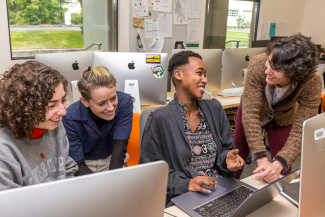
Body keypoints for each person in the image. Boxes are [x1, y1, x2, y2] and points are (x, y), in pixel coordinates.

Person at [139, 51, 244, 204]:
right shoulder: (159, 118)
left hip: (219, 189)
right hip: (184, 196)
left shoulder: (214, 108)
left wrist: (227, 160)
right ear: (178, 74)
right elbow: (150, 173)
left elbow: (226, 151)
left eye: (205, 75)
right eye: (199, 73)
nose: (205, 80)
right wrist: (187, 184)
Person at [235, 33, 323, 183]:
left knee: (282, 171)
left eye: (275, 68)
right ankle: (226, 196)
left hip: (283, 118)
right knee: (236, 159)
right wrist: (261, 158)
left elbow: (301, 129)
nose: (267, 70)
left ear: (295, 73)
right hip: (251, 112)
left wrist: (279, 163)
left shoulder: (312, 81)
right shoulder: (258, 63)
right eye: (269, 62)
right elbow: (250, 114)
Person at [0, 60, 78, 190]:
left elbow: (67, 167)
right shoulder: (4, 149)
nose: (63, 111)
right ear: (25, 108)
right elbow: (9, 205)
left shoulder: (53, 125)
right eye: (52, 105)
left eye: (63, 100)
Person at [62, 66, 133, 176]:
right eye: (101, 103)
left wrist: (114, 180)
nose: (110, 108)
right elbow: (77, 163)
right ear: (85, 102)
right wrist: (98, 185)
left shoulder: (125, 102)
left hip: (113, 159)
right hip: (84, 164)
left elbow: (120, 147)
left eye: (113, 98)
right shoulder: (70, 116)